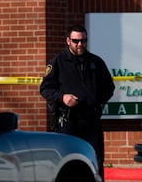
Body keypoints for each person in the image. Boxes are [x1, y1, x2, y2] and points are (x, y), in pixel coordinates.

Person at [40, 25, 115, 181]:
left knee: (95, 160)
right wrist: (63, 98)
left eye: (83, 41)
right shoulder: (58, 62)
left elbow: (109, 87)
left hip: (91, 121)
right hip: (68, 121)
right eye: (76, 41)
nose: (80, 44)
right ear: (68, 41)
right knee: (67, 161)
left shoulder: (96, 62)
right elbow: (45, 89)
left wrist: (97, 102)